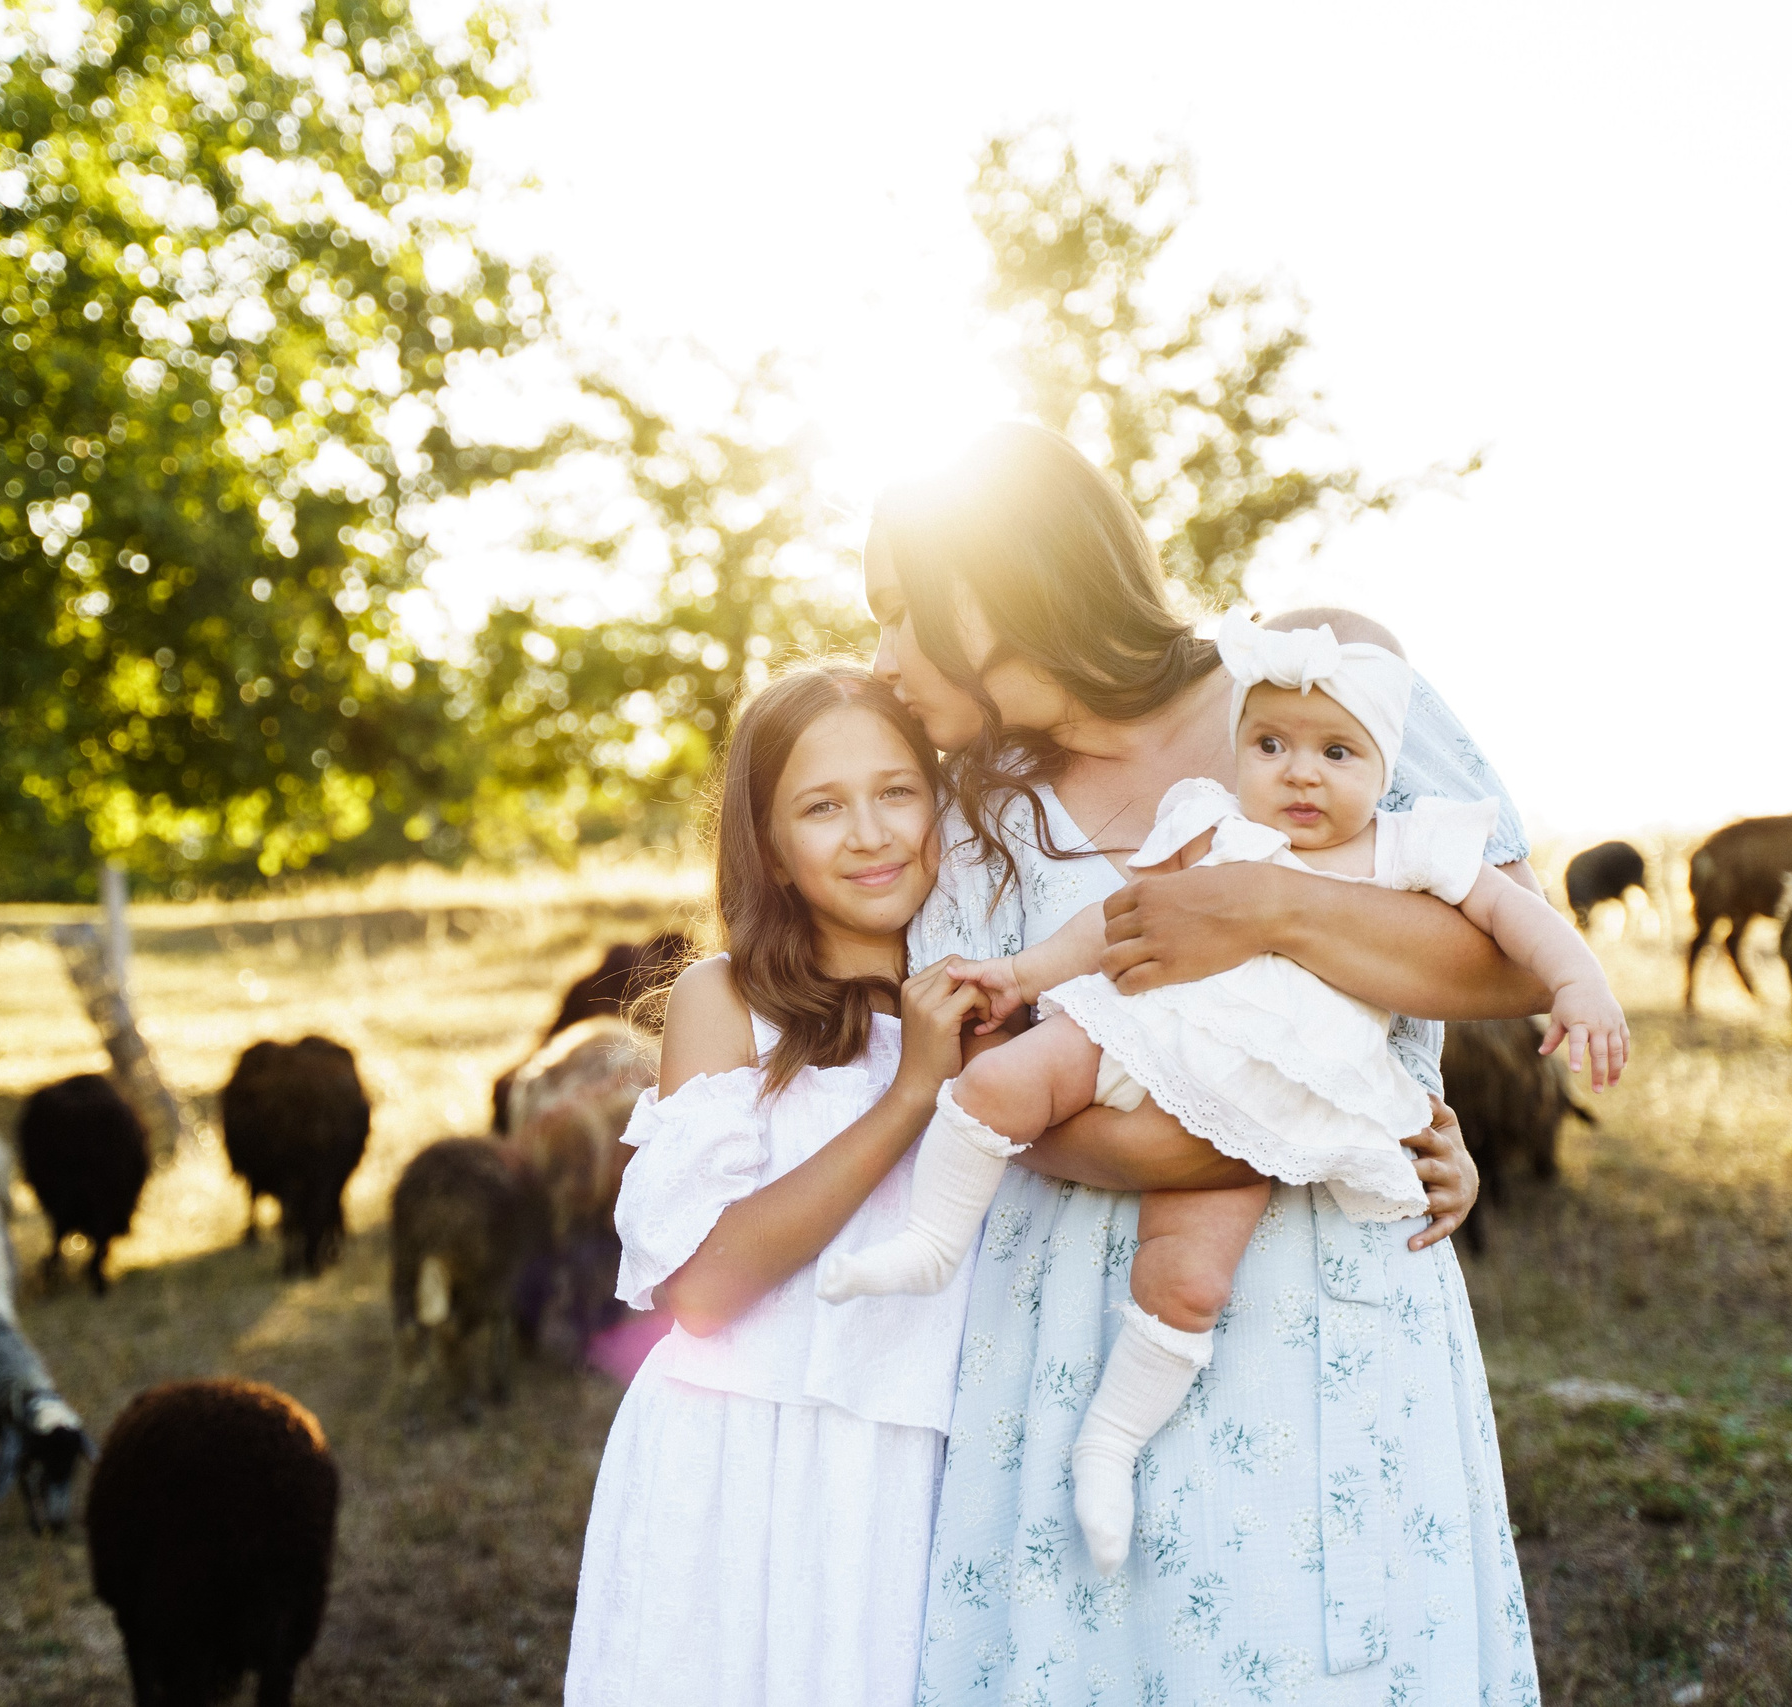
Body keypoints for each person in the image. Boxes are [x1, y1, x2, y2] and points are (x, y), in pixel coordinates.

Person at [876, 422, 1548, 1704]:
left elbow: (1514, 955)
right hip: (1071, 1328)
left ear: (982, 588)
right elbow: (1001, 1097)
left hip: (1323, 1317)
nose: (883, 658)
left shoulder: (1311, 679)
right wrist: (1326, 1132)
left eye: (899, 611)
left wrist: (1267, 909)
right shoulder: (966, 816)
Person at [826, 608, 1627, 1573]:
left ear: (1386, 762)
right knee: (1003, 1079)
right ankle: (928, 1242)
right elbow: (1114, 923)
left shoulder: (1410, 846)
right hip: (1139, 1039)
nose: (1301, 772)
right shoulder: (1208, 820)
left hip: (1270, 1105)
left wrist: (1579, 985)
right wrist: (1026, 974)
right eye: (1272, 745)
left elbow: (1518, 927)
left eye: (1337, 752)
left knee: (1187, 1282)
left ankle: (1109, 1443)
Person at [563, 664, 989, 1707]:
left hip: (922, 1459)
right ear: (772, 847)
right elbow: (702, 1291)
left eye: (897, 791)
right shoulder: (729, 1001)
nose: (871, 834)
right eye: (822, 806)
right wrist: (910, 1093)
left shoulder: (999, 994)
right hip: (745, 1458)